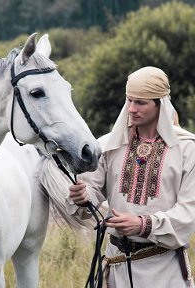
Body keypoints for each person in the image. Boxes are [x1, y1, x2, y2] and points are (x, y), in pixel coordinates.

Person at [66, 66, 195, 287]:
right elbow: (91, 195)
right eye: (129, 101)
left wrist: (142, 225)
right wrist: (82, 196)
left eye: (141, 102)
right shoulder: (110, 144)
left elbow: (188, 213)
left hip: (164, 270)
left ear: (160, 104)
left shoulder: (187, 150)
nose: (132, 109)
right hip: (117, 267)